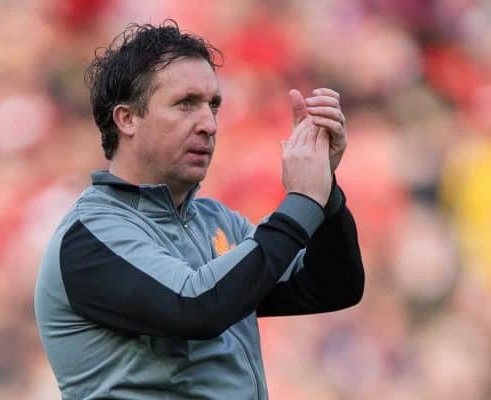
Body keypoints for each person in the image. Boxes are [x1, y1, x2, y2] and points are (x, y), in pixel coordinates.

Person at [34, 20, 364, 400]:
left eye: (214, 106)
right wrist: (303, 201)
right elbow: (196, 306)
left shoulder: (216, 222)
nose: (208, 124)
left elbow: (331, 286)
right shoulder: (90, 236)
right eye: (185, 104)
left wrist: (326, 191)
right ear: (127, 119)